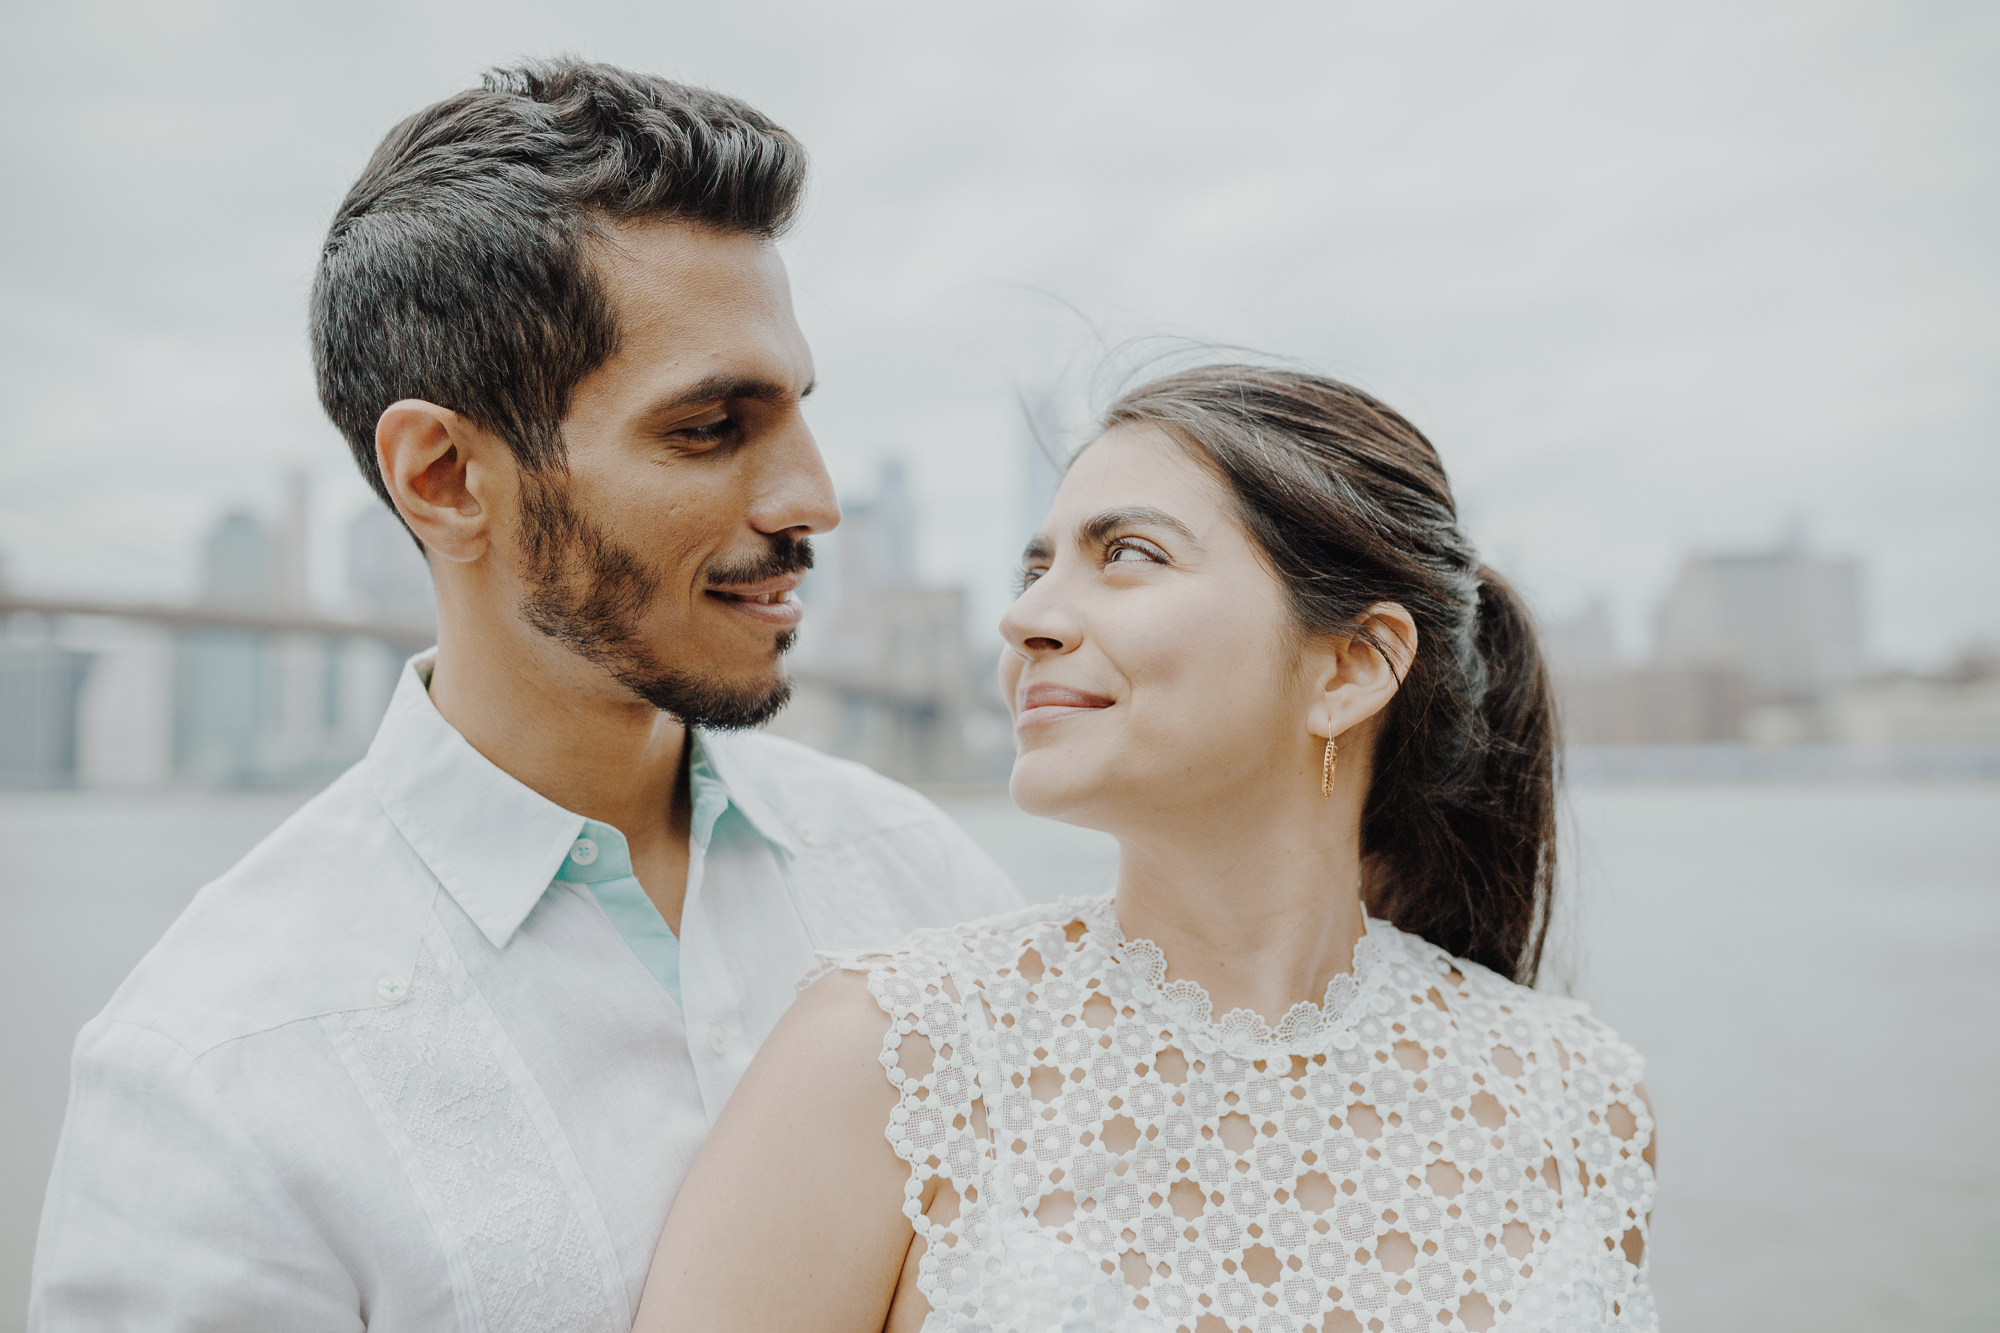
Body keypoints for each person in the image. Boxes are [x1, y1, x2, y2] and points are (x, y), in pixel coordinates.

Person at [28, 59, 1020, 1331]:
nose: (811, 500)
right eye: (711, 426)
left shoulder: (923, 884)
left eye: (795, 415)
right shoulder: (215, 1072)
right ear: (442, 475)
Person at [635, 365, 1658, 1333]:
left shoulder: (1579, 1096)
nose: (1024, 616)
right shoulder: (897, 1057)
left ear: (1349, 665)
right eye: (1034, 569)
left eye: (1126, 554)